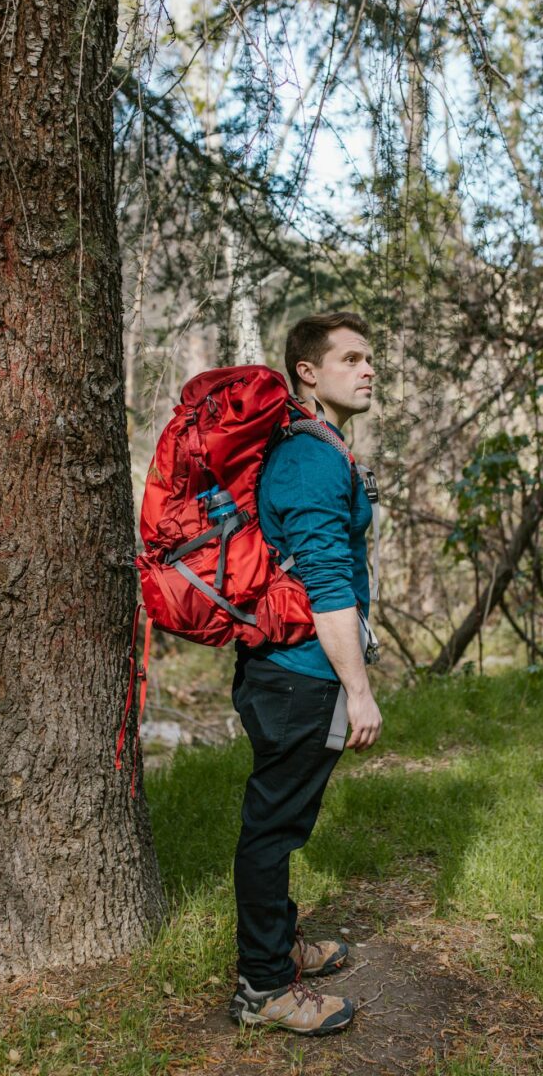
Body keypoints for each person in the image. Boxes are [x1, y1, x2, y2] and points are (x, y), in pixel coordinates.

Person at [228, 311, 383, 1035]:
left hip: (283, 672)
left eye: (370, 358)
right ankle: (262, 988)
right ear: (307, 374)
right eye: (351, 358)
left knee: (281, 821)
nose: (368, 369)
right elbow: (327, 582)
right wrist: (358, 691)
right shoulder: (313, 458)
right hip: (299, 676)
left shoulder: (311, 445)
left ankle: (279, 947)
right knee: (273, 829)